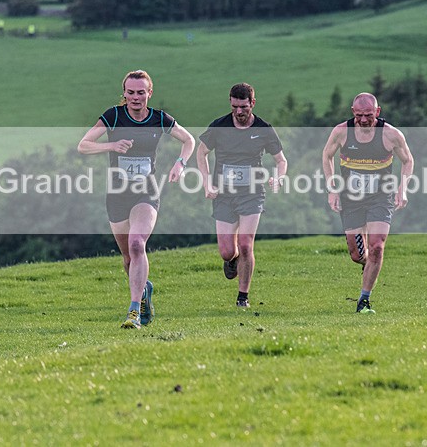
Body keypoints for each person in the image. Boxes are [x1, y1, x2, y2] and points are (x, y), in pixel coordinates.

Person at [78, 70, 195, 329]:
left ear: (149, 93)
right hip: (117, 195)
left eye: (140, 92)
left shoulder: (159, 119)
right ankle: (143, 292)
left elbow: (188, 140)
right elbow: (83, 145)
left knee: (136, 244)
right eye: (130, 92)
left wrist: (180, 164)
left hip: (147, 192)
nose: (135, 97)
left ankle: (133, 311)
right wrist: (111, 145)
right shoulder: (113, 116)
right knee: (128, 260)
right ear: (125, 94)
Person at [196, 83, 287, 308]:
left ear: (252, 104)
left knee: (246, 244)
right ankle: (232, 259)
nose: (239, 111)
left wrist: (279, 177)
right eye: (235, 106)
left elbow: (281, 160)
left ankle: (243, 296)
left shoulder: (264, 129)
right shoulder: (219, 126)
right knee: (227, 251)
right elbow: (201, 153)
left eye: (244, 107)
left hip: (252, 194)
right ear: (230, 102)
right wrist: (207, 182)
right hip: (224, 195)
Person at [321, 92, 414, 314]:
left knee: (377, 247)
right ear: (353, 112)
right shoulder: (342, 132)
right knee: (357, 255)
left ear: (378, 112)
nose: (364, 120)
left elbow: (408, 160)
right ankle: (367, 264)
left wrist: (403, 188)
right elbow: (326, 156)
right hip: (351, 198)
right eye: (360, 115)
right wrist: (332, 188)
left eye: (369, 115)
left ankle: (364, 300)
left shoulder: (391, 135)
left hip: (380, 197)